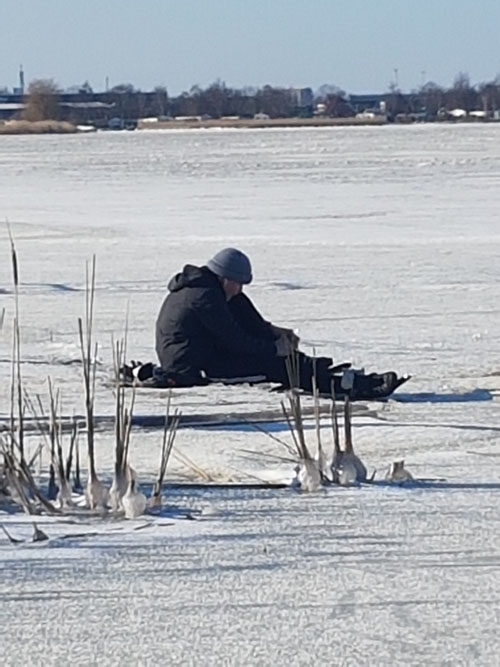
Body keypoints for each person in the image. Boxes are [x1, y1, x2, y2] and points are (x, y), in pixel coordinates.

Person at [132, 248, 407, 399]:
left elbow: (242, 322)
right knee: (274, 365)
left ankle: (322, 372)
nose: (239, 289)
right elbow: (235, 339)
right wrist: (275, 350)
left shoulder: (208, 289)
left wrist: (274, 333)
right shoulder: (205, 298)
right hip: (193, 367)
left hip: (204, 353)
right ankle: (345, 386)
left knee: (246, 314)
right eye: (238, 283)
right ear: (226, 278)